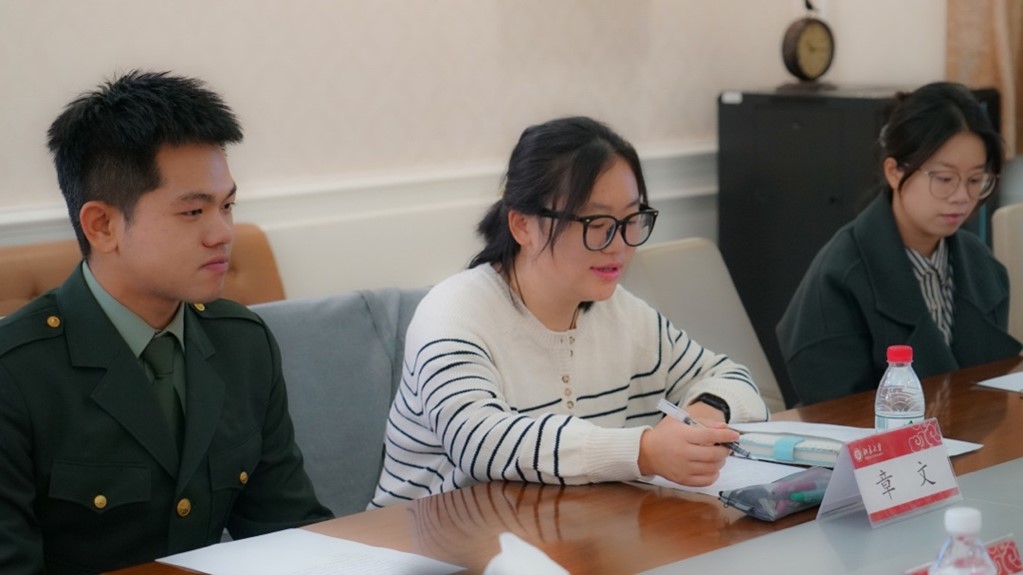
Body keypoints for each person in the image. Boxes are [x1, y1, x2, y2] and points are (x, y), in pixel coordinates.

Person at [0, 71, 332, 575]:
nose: (222, 233)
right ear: (102, 226)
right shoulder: (15, 374)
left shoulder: (244, 344)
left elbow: (288, 531)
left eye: (227, 206)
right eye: (193, 211)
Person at [371, 116, 769, 508]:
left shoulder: (622, 314)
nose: (619, 244)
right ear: (522, 226)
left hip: (563, 533)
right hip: (424, 542)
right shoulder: (453, 314)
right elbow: (480, 442)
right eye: (596, 222)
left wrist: (701, 419)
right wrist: (644, 451)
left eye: (631, 219)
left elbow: (733, 378)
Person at [776, 82, 1022, 405]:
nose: (962, 197)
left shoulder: (984, 266)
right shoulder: (839, 275)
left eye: (976, 180)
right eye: (944, 179)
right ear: (894, 172)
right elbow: (835, 411)